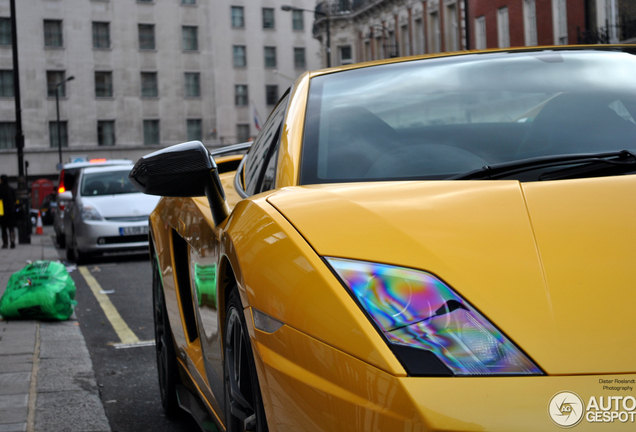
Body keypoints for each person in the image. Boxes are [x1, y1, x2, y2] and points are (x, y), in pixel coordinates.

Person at [0, 174, 16, 248]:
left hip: (2, 212)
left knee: (3, 229)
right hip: (11, 211)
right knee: (11, 228)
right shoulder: (11, 189)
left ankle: (5, 243)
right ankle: (12, 241)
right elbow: (15, 199)